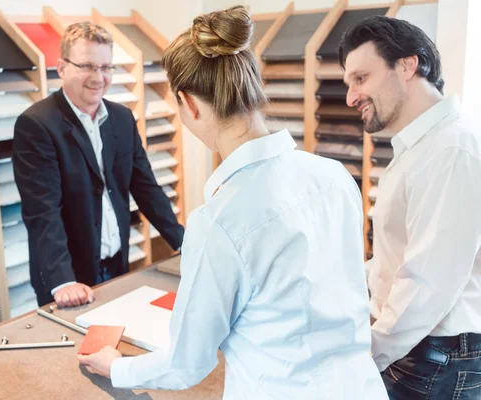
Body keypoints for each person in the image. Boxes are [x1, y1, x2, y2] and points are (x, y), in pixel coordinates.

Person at [78, 6, 388, 399]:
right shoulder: (334, 176)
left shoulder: (220, 221)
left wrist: (116, 366)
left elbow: (187, 362)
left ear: (189, 103)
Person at [339, 16, 481, 399]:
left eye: (360, 78)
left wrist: (368, 352)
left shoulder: (451, 149)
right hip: (419, 348)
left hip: (437, 357)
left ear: (406, 65)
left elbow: (429, 280)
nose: (351, 97)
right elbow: (399, 256)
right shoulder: (422, 147)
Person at [13, 22, 184, 308]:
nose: (99, 77)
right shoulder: (37, 125)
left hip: (116, 263)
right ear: (62, 68)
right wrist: (63, 280)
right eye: (88, 66)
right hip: (68, 275)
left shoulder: (121, 118)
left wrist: (182, 242)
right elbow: (43, 212)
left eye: (106, 67)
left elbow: (146, 188)